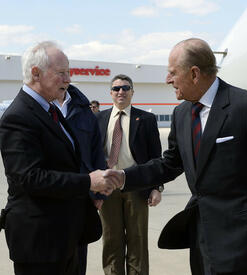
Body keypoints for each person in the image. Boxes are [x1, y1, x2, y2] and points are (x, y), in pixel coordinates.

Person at [105, 38, 247, 275]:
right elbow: (170, 163)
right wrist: (122, 177)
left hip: (240, 239)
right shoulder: (182, 113)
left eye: (173, 73)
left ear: (194, 73)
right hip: (201, 238)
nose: (167, 80)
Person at [0, 41, 115, 275]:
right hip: (40, 242)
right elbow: (30, 178)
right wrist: (88, 182)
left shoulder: (49, 111)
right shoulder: (18, 117)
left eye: (69, 73)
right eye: (61, 73)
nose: (68, 80)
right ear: (35, 73)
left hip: (64, 236)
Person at [96, 74, 163, 275]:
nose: (121, 92)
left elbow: (156, 158)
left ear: (132, 92)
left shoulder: (146, 119)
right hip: (107, 188)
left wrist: (156, 188)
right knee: (111, 239)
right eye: (116, 88)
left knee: (138, 240)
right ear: (110, 93)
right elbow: (92, 155)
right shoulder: (98, 118)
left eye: (126, 88)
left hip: (136, 187)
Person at [53, 84, 106, 275]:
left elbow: (96, 152)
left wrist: (99, 192)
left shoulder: (84, 110)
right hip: (51, 193)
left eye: (66, 72)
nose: (63, 77)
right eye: (59, 72)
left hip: (81, 194)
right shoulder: (39, 107)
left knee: (77, 255)